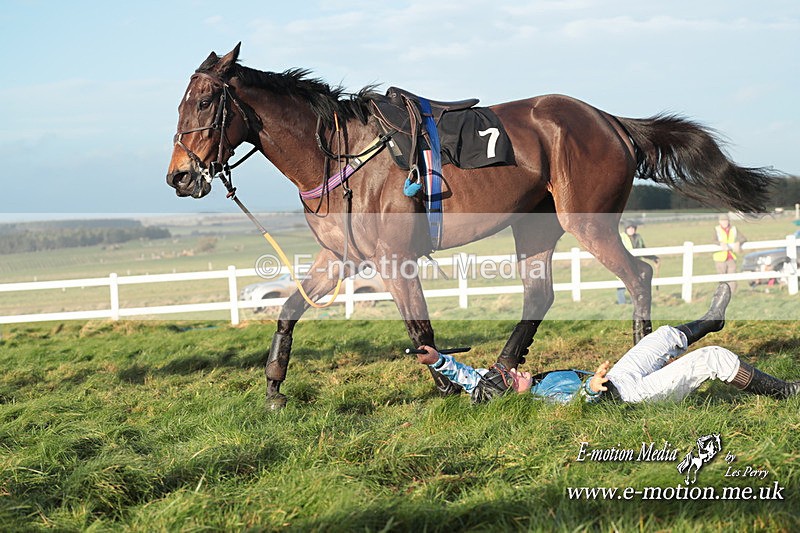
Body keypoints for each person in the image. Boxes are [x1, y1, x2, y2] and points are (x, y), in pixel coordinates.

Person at [415, 284, 799, 404]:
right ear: (512, 395)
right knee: (712, 358)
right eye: (512, 378)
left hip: (619, 377)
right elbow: (576, 405)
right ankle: (785, 392)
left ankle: (710, 321)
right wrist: (591, 389)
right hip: (629, 398)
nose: (515, 371)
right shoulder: (542, 402)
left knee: (661, 336)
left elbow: (472, 379)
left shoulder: (497, 388)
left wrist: (438, 360)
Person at [616, 220, 660, 304]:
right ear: (626, 229)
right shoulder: (621, 237)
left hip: (636, 266)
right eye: (629, 228)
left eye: (633, 228)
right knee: (622, 284)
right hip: (624, 265)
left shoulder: (638, 237)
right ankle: (621, 303)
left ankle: (635, 303)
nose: (631, 230)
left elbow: (643, 250)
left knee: (637, 285)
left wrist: (653, 257)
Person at [713, 213, 746, 292]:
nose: (724, 222)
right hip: (720, 257)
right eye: (722, 221)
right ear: (719, 222)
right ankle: (721, 293)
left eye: (726, 220)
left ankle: (732, 294)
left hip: (731, 256)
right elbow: (713, 240)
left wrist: (738, 242)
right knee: (722, 277)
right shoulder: (716, 229)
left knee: (732, 277)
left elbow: (743, 238)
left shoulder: (734, 229)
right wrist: (720, 243)